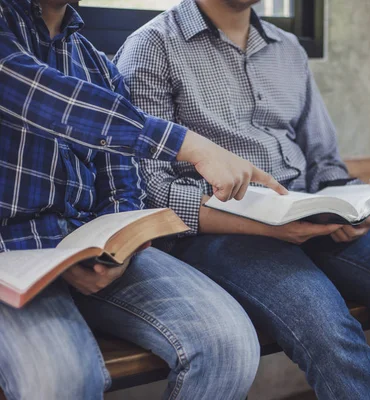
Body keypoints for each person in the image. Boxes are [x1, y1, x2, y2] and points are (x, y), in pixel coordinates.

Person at [115, 0, 370, 398]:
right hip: (221, 234)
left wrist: (352, 204)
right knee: (329, 328)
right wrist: (264, 223)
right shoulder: (151, 46)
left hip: (308, 216)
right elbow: (150, 190)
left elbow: (323, 161)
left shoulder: (286, 49)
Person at [0, 0, 288, 398]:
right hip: (9, 257)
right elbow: (36, 93)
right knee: (62, 380)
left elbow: (122, 186)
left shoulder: (99, 66)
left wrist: (113, 253)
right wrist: (189, 145)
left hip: (84, 251)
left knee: (229, 343)